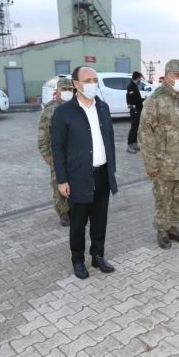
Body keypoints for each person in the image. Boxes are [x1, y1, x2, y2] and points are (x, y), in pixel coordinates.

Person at [51, 65, 118, 279]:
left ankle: (97, 256)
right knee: (78, 223)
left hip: (102, 174)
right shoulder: (63, 113)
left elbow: (109, 139)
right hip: (78, 176)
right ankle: (78, 261)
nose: (93, 83)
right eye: (88, 80)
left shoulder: (103, 108)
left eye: (95, 79)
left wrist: (112, 170)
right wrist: (62, 180)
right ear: (77, 84)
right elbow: (57, 148)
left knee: (100, 220)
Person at [139, 58, 179, 249]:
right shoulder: (154, 101)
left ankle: (174, 227)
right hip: (164, 163)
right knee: (163, 198)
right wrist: (151, 164)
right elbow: (145, 135)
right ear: (166, 77)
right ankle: (162, 230)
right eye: (178, 75)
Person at [38, 77, 74, 226]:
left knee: (74, 182)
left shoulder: (76, 106)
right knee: (58, 182)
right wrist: (45, 153)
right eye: (64, 89)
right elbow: (43, 132)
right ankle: (63, 212)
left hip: (74, 154)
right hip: (56, 153)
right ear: (57, 91)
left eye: (70, 89)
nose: (67, 92)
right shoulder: (50, 109)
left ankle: (73, 208)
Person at [126, 71, 145, 153]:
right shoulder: (131, 86)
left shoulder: (134, 86)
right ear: (137, 78)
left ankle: (134, 143)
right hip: (135, 110)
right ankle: (129, 145)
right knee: (134, 128)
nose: (140, 80)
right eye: (140, 78)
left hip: (137, 110)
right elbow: (132, 100)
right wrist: (143, 99)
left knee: (136, 127)